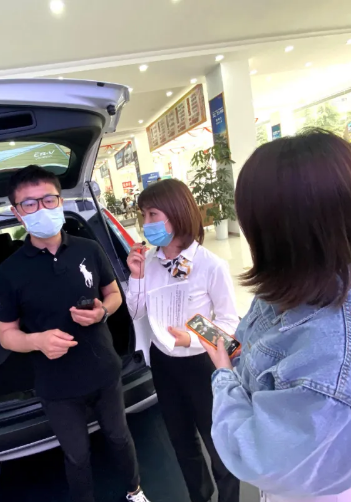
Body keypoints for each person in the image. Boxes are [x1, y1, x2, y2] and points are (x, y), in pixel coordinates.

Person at [203, 130, 351, 501]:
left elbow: (252, 454)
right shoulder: (302, 284)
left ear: (283, 234)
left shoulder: (332, 357)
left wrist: (223, 376)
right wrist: (233, 352)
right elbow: (257, 346)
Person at [0, 165, 149, 502]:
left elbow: (114, 294)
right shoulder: (8, 273)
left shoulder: (88, 249)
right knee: (77, 455)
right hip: (56, 385)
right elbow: (6, 334)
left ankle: (135, 490)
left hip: (103, 370)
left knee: (119, 437)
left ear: (60, 201)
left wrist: (103, 312)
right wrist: (36, 341)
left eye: (48, 199)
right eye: (30, 204)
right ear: (17, 213)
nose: (42, 209)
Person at [126, 179, 241, 502]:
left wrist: (190, 338)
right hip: (164, 363)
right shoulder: (149, 262)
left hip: (202, 365)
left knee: (217, 440)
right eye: (143, 215)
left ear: (176, 213)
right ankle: (199, 496)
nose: (146, 223)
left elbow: (229, 324)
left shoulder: (210, 265)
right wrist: (135, 277)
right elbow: (136, 311)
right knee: (181, 441)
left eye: (152, 214)